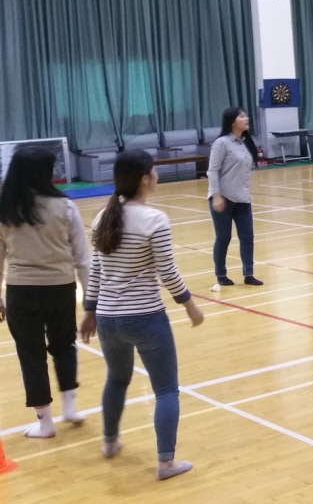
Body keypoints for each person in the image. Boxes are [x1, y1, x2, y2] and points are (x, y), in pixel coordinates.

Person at [82, 150, 203, 480]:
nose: (157, 176)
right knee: (166, 389)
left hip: (108, 319)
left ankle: (110, 442)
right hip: (145, 317)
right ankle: (166, 463)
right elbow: (168, 272)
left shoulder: (102, 217)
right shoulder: (155, 220)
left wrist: (90, 312)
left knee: (116, 379)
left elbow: (96, 272)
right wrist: (190, 306)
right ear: (144, 179)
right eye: (154, 171)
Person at [0, 147, 91, 438]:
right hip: (60, 288)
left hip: (21, 291)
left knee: (31, 354)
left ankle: (45, 423)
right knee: (65, 345)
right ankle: (70, 408)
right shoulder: (65, 207)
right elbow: (82, 257)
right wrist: (91, 300)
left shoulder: (6, 208)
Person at [207, 107, 262, 287]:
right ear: (232, 121)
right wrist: (216, 196)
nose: (246, 118)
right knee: (223, 238)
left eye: (246, 115)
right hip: (223, 198)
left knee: (247, 236)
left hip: (242, 198)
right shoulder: (221, 143)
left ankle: (249, 274)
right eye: (241, 116)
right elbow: (212, 171)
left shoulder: (245, 142)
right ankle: (221, 275)